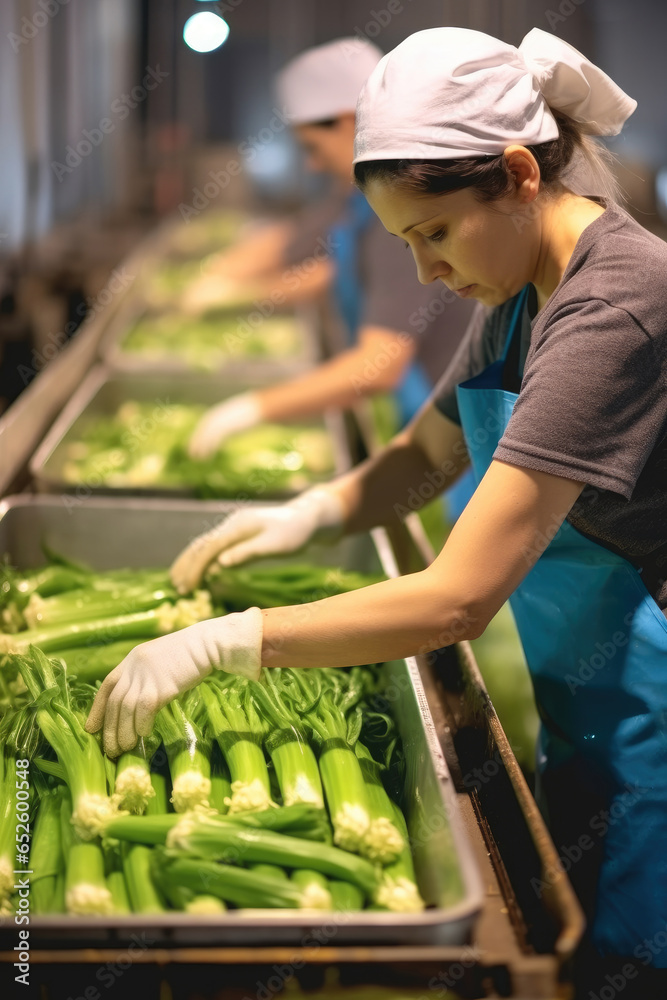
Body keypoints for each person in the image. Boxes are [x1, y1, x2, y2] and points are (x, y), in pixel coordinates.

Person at [86, 26, 667, 979]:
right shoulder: (521, 288)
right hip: (595, 707)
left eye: (433, 234)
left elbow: (456, 601)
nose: (425, 274)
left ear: (519, 173)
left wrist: (228, 640)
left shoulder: (612, 306)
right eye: (405, 243)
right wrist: (313, 513)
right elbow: (424, 453)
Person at [179, 38, 475, 460]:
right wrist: (225, 280)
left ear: (346, 121)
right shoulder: (353, 196)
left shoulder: (398, 212)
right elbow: (301, 247)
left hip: (450, 420)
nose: (311, 165)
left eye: (312, 148)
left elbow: (381, 364)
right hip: (418, 415)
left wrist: (251, 409)